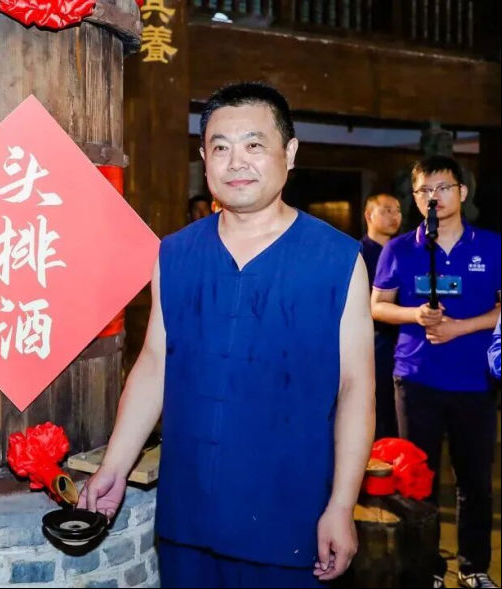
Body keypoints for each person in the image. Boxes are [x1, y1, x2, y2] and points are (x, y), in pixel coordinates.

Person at [78, 82, 374, 588]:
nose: (237, 162)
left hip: (291, 517)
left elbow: (356, 388)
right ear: (204, 158)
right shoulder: (175, 252)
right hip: (189, 515)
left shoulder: (337, 259)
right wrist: (115, 465)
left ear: (290, 153)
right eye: (220, 147)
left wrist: (342, 505)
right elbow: (155, 363)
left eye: (254, 145)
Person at [371, 155, 501, 589]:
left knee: (475, 481)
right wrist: (414, 314)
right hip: (416, 379)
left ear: (462, 192)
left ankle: (473, 566)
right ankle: (424, 568)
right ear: (415, 197)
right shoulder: (399, 249)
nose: (435, 197)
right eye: (425, 190)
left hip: (474, 382)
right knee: (416, 480)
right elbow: (377, 305)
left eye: (443, 188)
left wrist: (461, 326)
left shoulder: (492, 246)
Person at [360, 193, 403, 439]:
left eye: (397, 210)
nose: (394, 216)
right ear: (369, 215)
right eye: (386, 210)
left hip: (403, 340)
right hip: (372, 343)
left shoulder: (405, 251)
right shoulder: (357, 253)